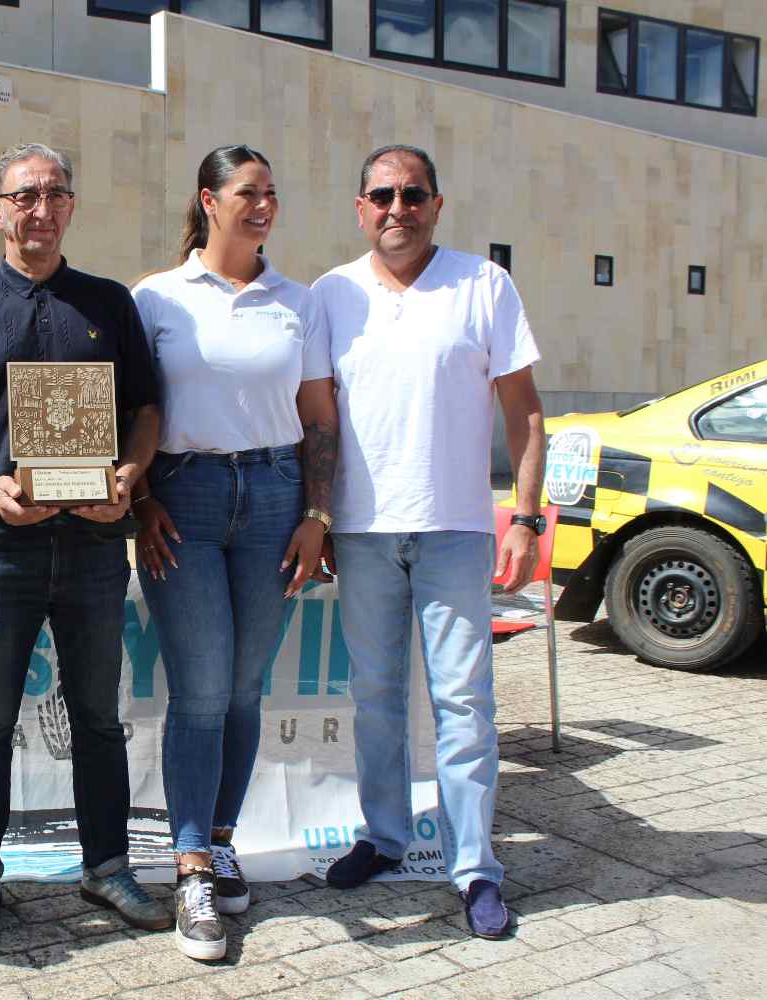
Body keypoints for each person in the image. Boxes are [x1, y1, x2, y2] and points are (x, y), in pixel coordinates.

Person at [0, 141, 171, 942]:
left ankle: (107, 869)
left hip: (95, 547)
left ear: (71, 207)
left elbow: (147, 410)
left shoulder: (108, 302)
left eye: (56, 194)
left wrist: (127, 477)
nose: (41, 208)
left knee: (98, 718)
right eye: (24, 196)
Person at [311, 144, 545, 940]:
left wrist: (527, 516)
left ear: (437, 204)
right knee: (375, 702)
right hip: (365, 531)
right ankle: (385, 838)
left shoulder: (484, 285)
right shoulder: (332, 294)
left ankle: (476, 869)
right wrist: (316, 514)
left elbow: (527, 414)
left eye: (413, 194)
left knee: (465, 706)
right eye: (382, 194)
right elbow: (320, 421)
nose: (397, 208)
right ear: (360, 206)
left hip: (455, 529)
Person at [130, 144, 337, 961]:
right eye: (248, 193)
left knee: (246, 687)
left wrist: (317, 512)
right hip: (184, 497)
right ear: (208, 201)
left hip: (277, 498)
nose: (263, 207)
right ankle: (188, 870)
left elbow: (318, 415)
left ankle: (220, 840)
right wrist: (140, 498)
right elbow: (133, 406)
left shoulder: (299, 301)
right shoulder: (156, 298)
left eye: (272, 194)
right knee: (202, 689)